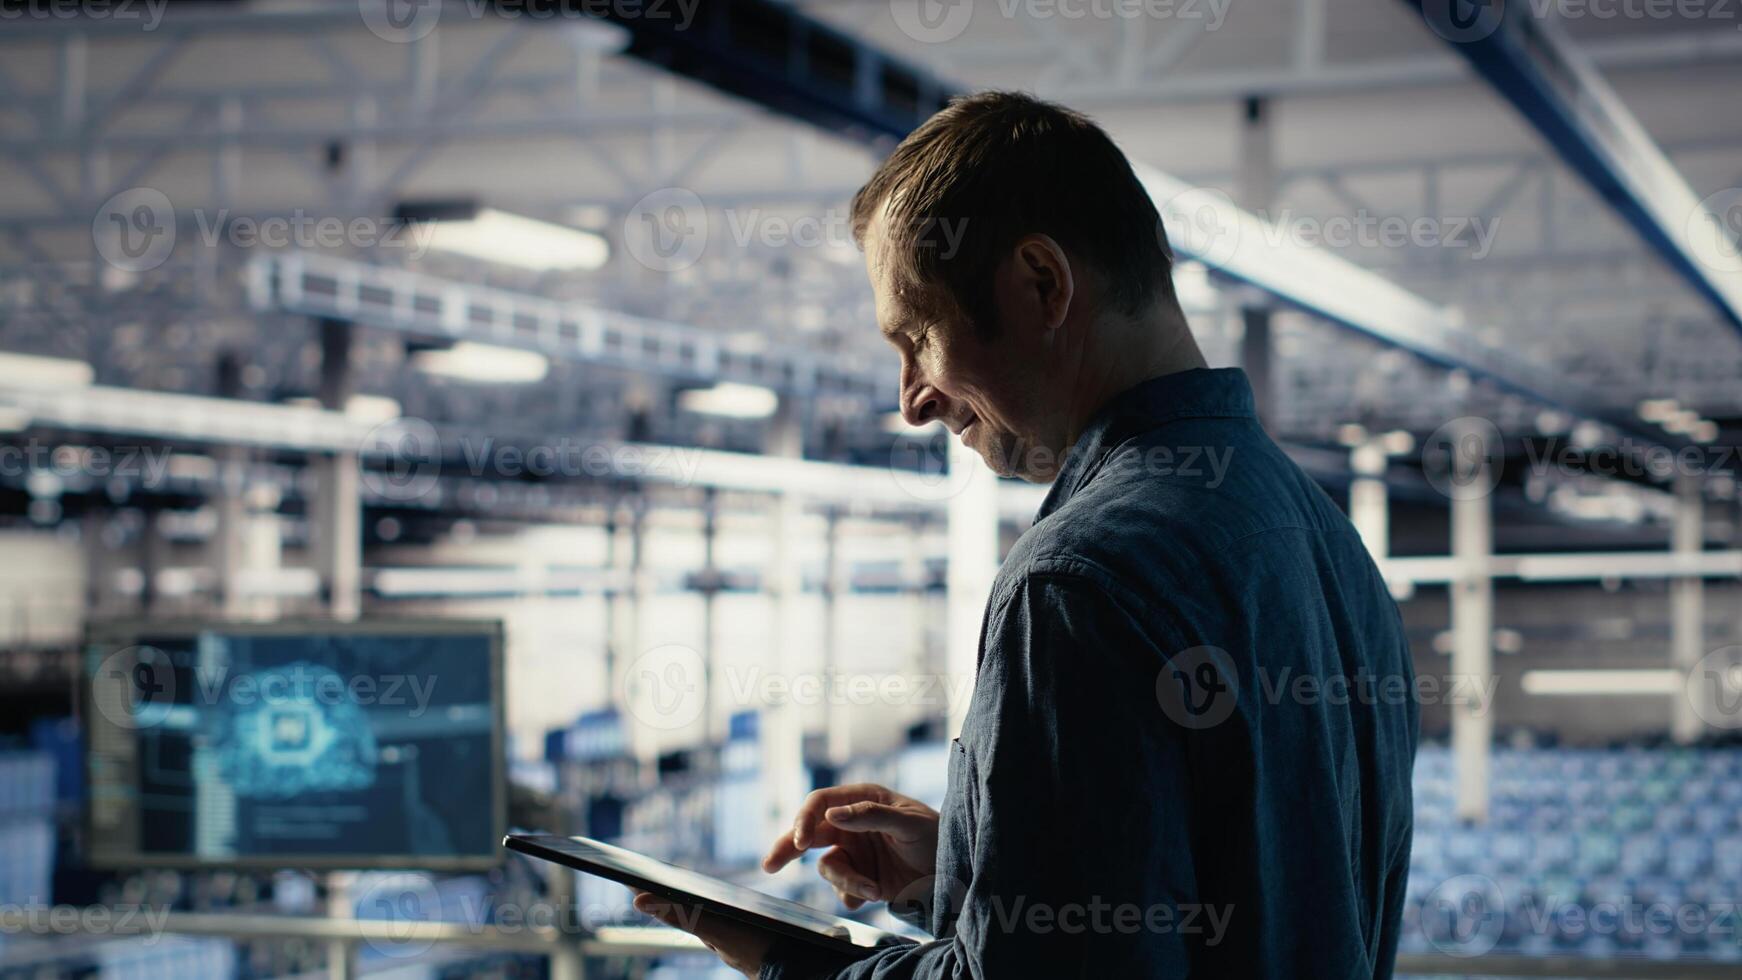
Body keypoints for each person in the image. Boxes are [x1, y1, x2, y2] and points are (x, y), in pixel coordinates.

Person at [635, 90, 1419, 979]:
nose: (912, 399)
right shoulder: (1327, 540)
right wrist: (969, 866)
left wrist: (789, 962)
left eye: (917, 337)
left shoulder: (1080, 580)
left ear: (1041, 284)